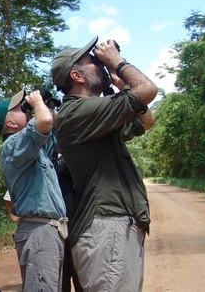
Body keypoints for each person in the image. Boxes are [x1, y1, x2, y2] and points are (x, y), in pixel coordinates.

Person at [50, 36, 157, 292]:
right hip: (106, 230)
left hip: (114, 229)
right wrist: (118, 62)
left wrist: (121, 86)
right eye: (93, 61)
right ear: (77, 75)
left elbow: (146, 121)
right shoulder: (76, 114)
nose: (101, 64)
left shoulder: (97, 115)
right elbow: (148, 90)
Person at [0, 89, 68, 292]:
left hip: (48, 231)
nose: (26, 110)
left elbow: (56, 130)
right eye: (19, 108)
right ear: (11, 123)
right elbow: (43, 123)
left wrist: (48, 106)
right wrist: (38, 104)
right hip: (38, 231)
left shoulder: (34, 149)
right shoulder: (12, 146)